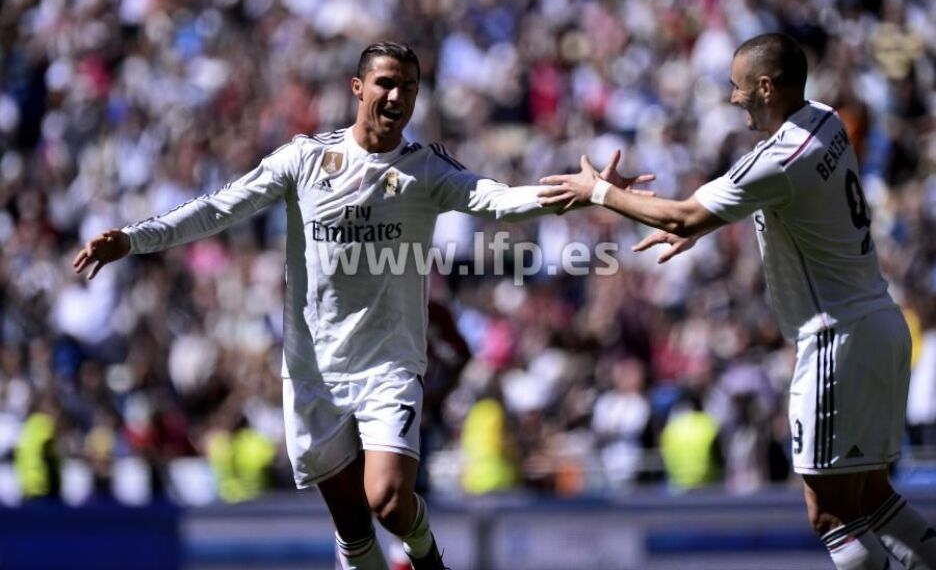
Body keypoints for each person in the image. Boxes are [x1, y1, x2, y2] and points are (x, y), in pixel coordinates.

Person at [73, 42, 650, 570]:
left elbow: (499, 200)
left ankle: (428, 558)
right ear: (358, 87)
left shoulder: (426, 169)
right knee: (353, 533)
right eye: (385, 83)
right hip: (314, 371)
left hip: (388, 363)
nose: (396, 96)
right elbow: (219, 207)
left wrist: (589, 194)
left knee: (389, 500)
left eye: (408, 87)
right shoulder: (305, 160)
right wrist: (133, 239)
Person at [540, 33, 936, 570]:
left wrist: (600, 193)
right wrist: (701, 226)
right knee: (873, 500)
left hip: (836, 338)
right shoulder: (826, 119)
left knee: (829, 515)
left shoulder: (782, 158)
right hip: (878, 323)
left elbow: (686, 214)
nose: (732, 97)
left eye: (737, 86)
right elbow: (774, 203)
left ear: (766, 87)